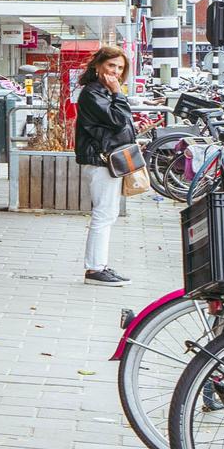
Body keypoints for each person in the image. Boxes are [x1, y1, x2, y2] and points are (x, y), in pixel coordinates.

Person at [74, 43, 138, 286]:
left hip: (108, 159)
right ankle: (94, 269)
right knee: (103, 214)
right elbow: (118, 120)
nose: (116, 72)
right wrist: (118, 92)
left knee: (108, 213)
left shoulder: (103, 92)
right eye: (111, 65)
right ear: (98, 66)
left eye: (120, 68)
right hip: (101, 160)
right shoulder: (93, 93)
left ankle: (99, 265)